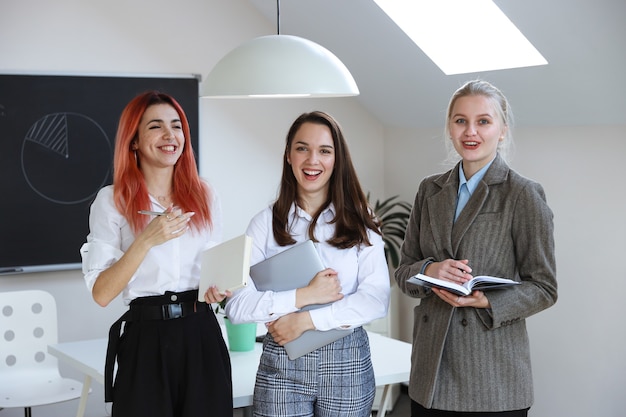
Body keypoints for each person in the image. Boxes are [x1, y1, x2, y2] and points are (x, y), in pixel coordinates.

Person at [206, 111, 390, 417]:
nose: (312, 160)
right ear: (288, 156)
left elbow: (375, 300)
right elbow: (237, 308)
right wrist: (304, 296)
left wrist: (305, 321)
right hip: (282, 364)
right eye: (302, 148)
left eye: (324, 151)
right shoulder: (265, 223)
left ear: (337, 159)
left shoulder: (362, 221)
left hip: (347, 365)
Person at [394, 80, 557, 417]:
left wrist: (485, 299)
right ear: (450, 128)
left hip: (492, 378)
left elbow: (544, 288)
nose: (471, 131)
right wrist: (430, 270)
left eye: (483, 121)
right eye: (460, 120)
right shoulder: (429, 190)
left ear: (502, 130)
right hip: (430, 375)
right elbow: (404, 273)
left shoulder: (522, 194)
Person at [80, 91, 232, 417]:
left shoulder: (206, 195)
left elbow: (214, 272)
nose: (170, 136)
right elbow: (102, 293)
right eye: (156, 126)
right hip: (145, 339)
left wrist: (220, 288)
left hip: (201, 332)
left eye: (177, 126)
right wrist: (146, 240)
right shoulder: (111, 201)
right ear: (133, 141)